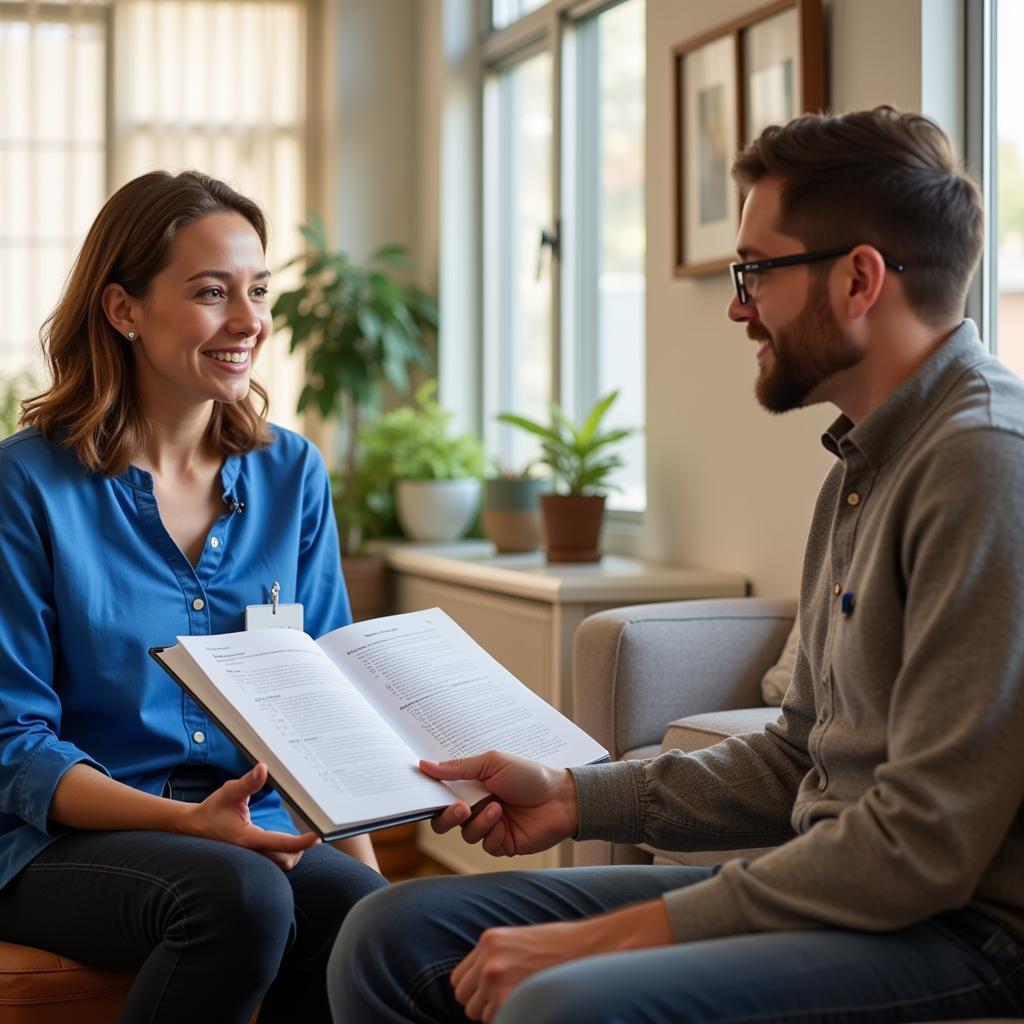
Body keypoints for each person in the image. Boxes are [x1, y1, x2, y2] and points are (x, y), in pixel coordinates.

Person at [328, 107, 1024, 1023]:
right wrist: (576, 796)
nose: (739, 305)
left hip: (960, 934)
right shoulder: (861, 467)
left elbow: (921, 848)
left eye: (755, 272)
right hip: (835, 901)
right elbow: (795, 758)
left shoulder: (982, 462)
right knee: (390, 935)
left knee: (559, 1000)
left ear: (859, 278)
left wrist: (592, 941)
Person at [0, 170, 388, 1023]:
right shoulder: (26, 484)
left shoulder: (291, 474)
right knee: (242, 896)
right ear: (123, 309)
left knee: (375, 924)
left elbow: (327, 707)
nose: (249, 321)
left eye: (257, 290)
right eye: (213, 293)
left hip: (246, 825)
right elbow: (13, 745)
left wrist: (373, 880)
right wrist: (188, 826)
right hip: (56, 840)